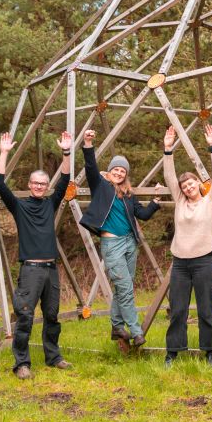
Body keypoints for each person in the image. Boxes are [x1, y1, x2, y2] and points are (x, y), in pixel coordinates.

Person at [0, 131, 73, 380]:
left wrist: (66, 152)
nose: (39, 187)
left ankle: (53, 357)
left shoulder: (50, 203)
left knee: (52, 315)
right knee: (25, 316)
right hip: (30, 270)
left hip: (51, 270)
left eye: (43, 184)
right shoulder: (20, 206)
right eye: (35, 183)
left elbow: (66, 178)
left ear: (46, 187)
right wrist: (4, 153)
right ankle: (22, 364)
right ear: (29, 185)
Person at [79, 129, 160, 347]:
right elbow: (90, 166)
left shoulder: (128, 195)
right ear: (109, 171)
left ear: (126, 175)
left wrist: (155, 202)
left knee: (124, 286)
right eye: (116, 169)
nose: (119, 173)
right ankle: (135, 331)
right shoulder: (101, 186)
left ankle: (116, 326)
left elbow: (142, 215)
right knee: (125, 288)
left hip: (130, 243)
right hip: (112, 243)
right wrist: (88, 143)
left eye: (123, 171)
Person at [162, 123, 212, 367]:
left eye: (191, 183)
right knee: (177, 310)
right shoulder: (179, 201)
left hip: (203, 262)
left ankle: (210, 353)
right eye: (184, 186)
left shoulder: (211, 200)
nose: (188, 187)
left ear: (198, 183)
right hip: (180, 264)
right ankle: (173, 353)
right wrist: (168, 150)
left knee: (206, 310)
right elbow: (168, 176)